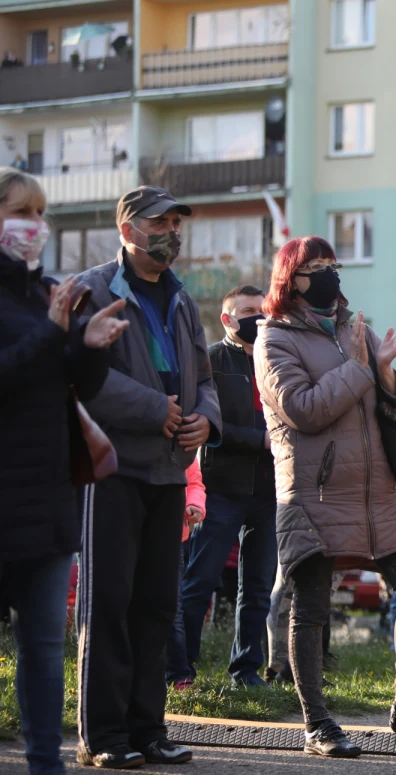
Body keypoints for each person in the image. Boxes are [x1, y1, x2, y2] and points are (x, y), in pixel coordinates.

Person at [256, 236, 396, 758]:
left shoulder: (358, 330)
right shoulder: (273, 340)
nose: (330, 275)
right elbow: (303, 410)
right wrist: (357, 368)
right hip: (315, 493)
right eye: (317, 267)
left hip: (378, 493)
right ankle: (318, 724)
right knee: (311, 609)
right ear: (292, 277)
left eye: (334, 264)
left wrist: (388, 371)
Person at [75, 185, 222, 769]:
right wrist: (150, 407)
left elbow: (206, 378)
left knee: (157, 605)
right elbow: (82, 374)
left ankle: (148, 730)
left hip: (169, 472)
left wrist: (206, 420)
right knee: (109, 601)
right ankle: (103, 738)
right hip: (112, 469)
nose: (173, 233)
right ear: (128, 230)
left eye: (177, 223)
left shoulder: (183, 300)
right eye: (160, 222)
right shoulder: (91, 289)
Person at [0, 168, 127, 775]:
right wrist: (56, 335)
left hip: (49, 495)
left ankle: (45, 764)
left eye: (40, 213)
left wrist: (88, 346)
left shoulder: (44, 292)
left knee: (45, 648)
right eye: (21, 212)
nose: (34, 227)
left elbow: (73, 387)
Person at [175, 285, 277, 689]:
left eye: (262, 309)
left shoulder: (276, 360)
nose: (258, 317)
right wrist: (260, 441)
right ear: (227, 318)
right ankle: (181, 670)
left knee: (257, 587)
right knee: (200, 581)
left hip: (269, 491)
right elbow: (207, 422)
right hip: (220, 487)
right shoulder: (211, 361)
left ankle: (246, 671)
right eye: (249, 311)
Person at [165, 461, 207, 691]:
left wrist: (194, 504)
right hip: (131, 533)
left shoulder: (182, 434)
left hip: (173, 536)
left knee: (172, 607)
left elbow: (194, 482)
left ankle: (179, 674)